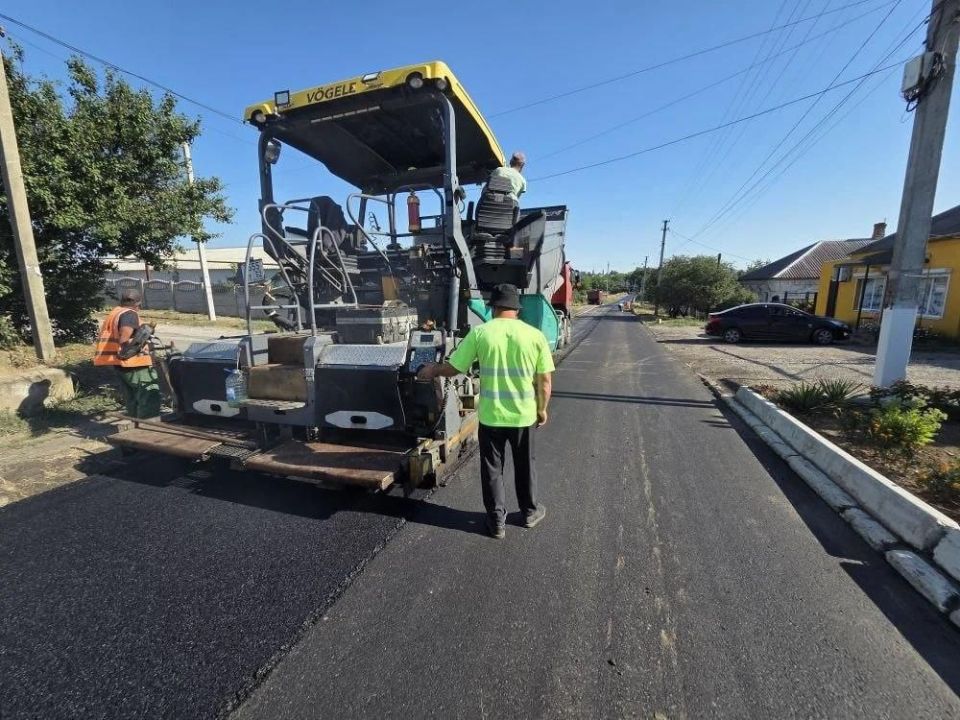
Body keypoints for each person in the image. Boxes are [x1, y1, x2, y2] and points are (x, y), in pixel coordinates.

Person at [418, 283, 554, 539]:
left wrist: (432, 369)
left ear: (493, 308)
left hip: (492, 417)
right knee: (526, 465)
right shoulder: (535, 336)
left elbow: (455, 367)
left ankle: (496, 522)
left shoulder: (481, 333)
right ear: (517, 309)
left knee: (492, 469)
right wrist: (542, 410)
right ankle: (529, 513)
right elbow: (545, 382)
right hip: (524, 416)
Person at [93, 288, 162, 419]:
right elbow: (124, 340)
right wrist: (141, 343)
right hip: (134, 364)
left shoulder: (116, 312)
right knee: (148, 395)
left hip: (120, 364)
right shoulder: (130, 314)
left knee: (132, 398)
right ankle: (149, 425)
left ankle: (136, 425)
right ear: (138, 304)